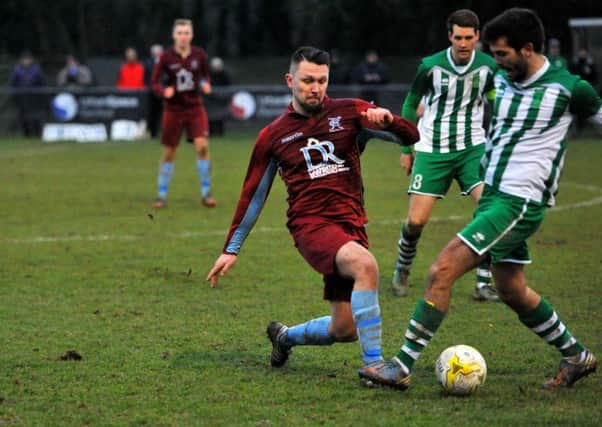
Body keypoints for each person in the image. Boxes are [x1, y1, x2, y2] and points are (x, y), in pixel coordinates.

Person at [359, 8, 600, 391]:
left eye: (502, 55)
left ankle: (400, 366)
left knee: (441, 270)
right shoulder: (502, 81)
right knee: (511, 288)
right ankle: (577, 356)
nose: (495, 63)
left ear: (527, 48)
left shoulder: (569, 89)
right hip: (495, 197)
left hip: (518, 203)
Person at [206, 46, 419, 376]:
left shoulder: (350, 113)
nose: (316, 87)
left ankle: (284, 337)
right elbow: (253, 194)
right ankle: (375, 366)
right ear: (290, 80)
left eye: (322, 80)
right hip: (311, 226)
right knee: (366, 265)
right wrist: (231, 248)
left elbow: (410, 134)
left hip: (351, 225)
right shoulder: (273, 135)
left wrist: (390, 121)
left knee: (344, 329)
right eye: (307, 80)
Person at [391, 9, 499, 302]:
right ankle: (402, 269)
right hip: (432, 149)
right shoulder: (430, 66)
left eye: (469, 37)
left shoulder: (490, 66)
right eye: (458, 37)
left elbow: (493, 99)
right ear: (449, 37)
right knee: (415, 222)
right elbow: (411, 103)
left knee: (491, 212)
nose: (463, 43)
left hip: (473, 149)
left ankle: (484, 282)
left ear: (477, 36)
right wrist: (405, 148)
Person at [151, 19, 216, 208]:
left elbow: (205, 75)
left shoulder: (199, 55)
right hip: (173, 110)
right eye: (179, 32)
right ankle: (161, 194)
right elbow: (154, 82)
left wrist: (206, 84)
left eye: (186, 33)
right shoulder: (165, 56)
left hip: (195, 107)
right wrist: (164, 91)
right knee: (170, 151)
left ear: (191, 35)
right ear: (174, 35)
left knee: (202, 146)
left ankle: (206, 193)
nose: (183, 36)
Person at [9, 51, 46, 137]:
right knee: (23, 118)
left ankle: (38, 134)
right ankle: (26, 135)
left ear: (31, 60)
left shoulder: (37, 69)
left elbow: (42, 83)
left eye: (28, 59)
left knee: (36, 117)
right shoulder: (17, 70)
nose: (26, 61)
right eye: (24, 59)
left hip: (35, 99)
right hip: (22, 99)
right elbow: (13, 84)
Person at [145, 44, 164, 138]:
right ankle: (153, 134)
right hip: (152, 93)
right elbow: (147, 78)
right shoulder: (148, 63)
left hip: (163, 92)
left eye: (158, 51)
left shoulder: (166, 62)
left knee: (165, 113)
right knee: (152, 113)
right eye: (155, 52)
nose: (156, 53)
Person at [208, 57, 231, 136]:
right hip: (211, 101)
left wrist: (223, 97)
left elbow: (228, 87)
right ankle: (210, 134)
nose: (217, 68)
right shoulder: (209, 75)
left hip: (222, 101)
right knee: (210, 118)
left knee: (220, 118)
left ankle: (220, 134)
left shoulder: (225, 76)